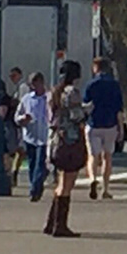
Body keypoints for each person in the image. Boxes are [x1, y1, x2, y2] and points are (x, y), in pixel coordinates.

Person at [44, 59, 87, 237]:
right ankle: (60, 225)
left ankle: (51, 222)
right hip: (70, 139)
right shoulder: (72, 92)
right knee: (68, 183)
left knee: (60, 182)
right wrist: (87, 110)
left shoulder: (53, 92)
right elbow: (76, 115)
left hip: (56, 140)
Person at [83, 57, 125, 200]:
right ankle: (105, 188)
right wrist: (121, 128)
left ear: (96, 68)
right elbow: (119, 109)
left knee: (93, 156)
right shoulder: (114, 85)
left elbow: (86, 105)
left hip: (94, 123)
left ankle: (93, 179)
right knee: (108, 156)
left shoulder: (91, 84)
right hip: (110, 124)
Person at [18, 70, 51, 203]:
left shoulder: (48, 98)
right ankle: (35, 186)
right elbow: (17, 115)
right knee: (32, 163)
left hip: (44, 136)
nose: (33, 87)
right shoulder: (27, 99)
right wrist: (22, 119)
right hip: (30, 135)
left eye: (35, 84)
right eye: (31, 85)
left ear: (41, 83)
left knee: (40, 163)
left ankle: (35, 189)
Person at [0, 67, 23, 180]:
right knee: (13, 150)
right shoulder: (15, 89)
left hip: (12, 123)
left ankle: (11, 172)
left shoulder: (22, 88)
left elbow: (3, 113)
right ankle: (12, 172)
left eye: (13, 76)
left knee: (10, 150)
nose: (12, 78)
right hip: (13, 123)